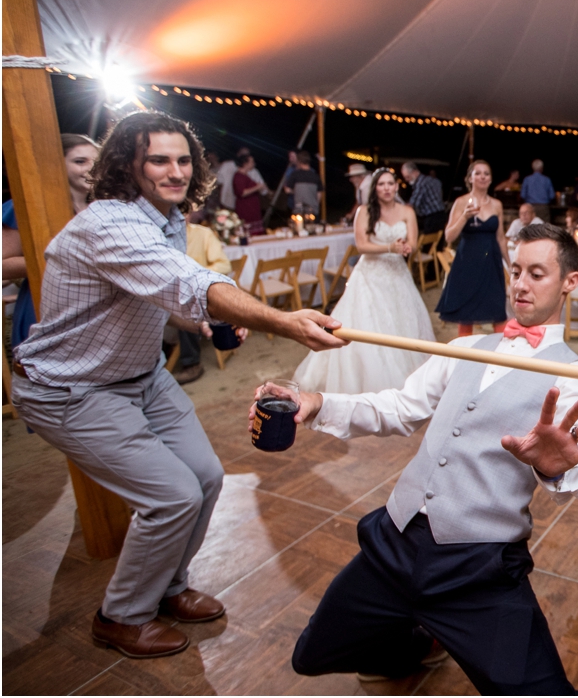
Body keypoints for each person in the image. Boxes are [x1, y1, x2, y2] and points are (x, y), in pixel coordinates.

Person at [10, 111, 346, 660]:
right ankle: (120, 616)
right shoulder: (109, 222)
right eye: (159, 160)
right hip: (71, 389)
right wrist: (281, 320)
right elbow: (189, 281)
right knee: (172, 496)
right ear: (127, 164)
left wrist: (205, 321)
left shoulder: (170, 220)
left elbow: (165, 297)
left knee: (207, 477)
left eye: (184, 159)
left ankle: (167, 586)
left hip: (142, 376)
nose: (176, 171)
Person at [270, 222, 578, 693]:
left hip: (478, 568)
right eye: (515, 270)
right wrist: (318, 404)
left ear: (569, 282)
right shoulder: (463, 347)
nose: (519, 284)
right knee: (310, 656)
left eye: (537, 273)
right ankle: (415, 642)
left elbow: (570, 480)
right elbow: (399, 407)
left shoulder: (576, 377)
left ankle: (440, 626)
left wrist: (550, 469)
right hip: (395, 543)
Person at [293, 168, 435, 394]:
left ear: (397, 186)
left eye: (391, 184)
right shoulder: (364, 211)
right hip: (369, 275)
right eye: (382, 184)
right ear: (375, 188)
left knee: (401, 321)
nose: (387, 188)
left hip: (397, 274)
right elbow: (362, 246)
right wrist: (390, 247)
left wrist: (407, 247)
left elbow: (414, 244)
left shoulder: (407, 211)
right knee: (367, 323)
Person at [3, 134, 100, 349]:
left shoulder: (102, 208)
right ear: (57, 165)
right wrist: (60, 260)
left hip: (92, 315)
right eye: (80, 161)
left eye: (97, 162)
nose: (92, 169)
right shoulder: (26, 207)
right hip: (45, 308)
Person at [437, 160, 509, 336]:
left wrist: (510, 264)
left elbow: (500, 237)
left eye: (486, 173)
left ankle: (501, 357)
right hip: (468, 260)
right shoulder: (461, 202)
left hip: (491, 260)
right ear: (470, 178)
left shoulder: (496, 205)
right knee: (466, 313)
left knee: (497, 310)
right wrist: (464, 217)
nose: (482, 177)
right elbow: (449, 236)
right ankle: (464, 356)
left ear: (491, 179)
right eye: (478, 173)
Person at [171, 214, 234, 385]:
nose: (178, 214)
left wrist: (196, 277)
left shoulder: (203, 234)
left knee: (187, 305)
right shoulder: (157, 236)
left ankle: (191, 362)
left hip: (195, 292)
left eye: (183, 210)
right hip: (166, 292)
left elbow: (224, 265)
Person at [401, 161, 447, 237]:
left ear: (414, 172)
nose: (406, 180)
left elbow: (412, 204)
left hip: (432, 219)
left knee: (428, 245)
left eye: (407, 177)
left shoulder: (420, 184)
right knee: (437, 245)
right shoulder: (433, 180)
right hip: (442, 215)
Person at [233, 152, 267, 235]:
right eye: (251, 162)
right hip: (246, 208)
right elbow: (242, 192)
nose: (253, 164)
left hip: (252, 207)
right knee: (248, 232)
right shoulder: (238, 177)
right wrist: (257, 187)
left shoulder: (246, 175)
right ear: (245, 164)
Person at [285, 150, 323, 217]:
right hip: (312, 209)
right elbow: (319, 192)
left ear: (299, 162)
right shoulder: (315, 175)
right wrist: (316, 204)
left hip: (299, 210)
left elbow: (287, 190)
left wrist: (297, 190)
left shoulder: (295, 175)